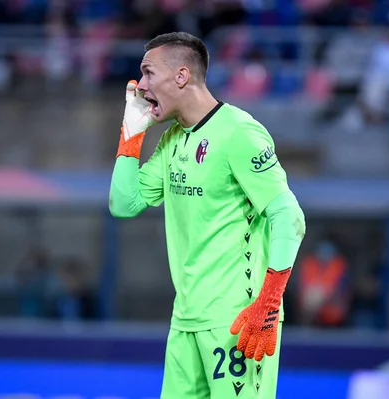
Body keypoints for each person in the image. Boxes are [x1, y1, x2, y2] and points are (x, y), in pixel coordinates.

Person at [109, 32, 306, 399]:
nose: (141, 86)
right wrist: (131, 135)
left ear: (181, 76)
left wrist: (267, 305)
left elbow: (289, 217)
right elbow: (124, 204)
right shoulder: (172, 141)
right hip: (185, 321)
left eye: (149, 73)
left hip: (238, 321)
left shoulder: (239, 132)